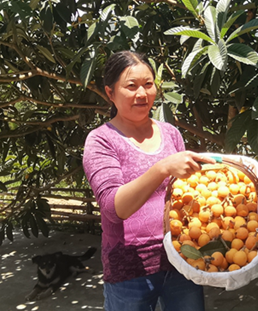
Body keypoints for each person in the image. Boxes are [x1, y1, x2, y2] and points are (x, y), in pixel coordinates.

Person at [83, 50, 214, 311]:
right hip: (130, 269)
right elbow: (113, 207)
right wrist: (162, 168)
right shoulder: (101, 141)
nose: (142, 94)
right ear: (110, 93)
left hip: (181, 258)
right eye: (131, 86)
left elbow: (184, 193)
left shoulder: (170, 133)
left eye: (148, 84)